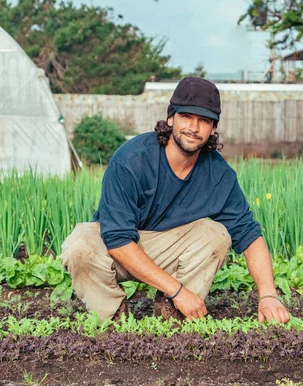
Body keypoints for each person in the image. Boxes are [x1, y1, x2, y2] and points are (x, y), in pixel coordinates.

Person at [62, 77, 290, 324]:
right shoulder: (131, 160)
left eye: (204, 120)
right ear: (171, 118)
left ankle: (172, 312)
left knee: (217, 234)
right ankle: (113, 313)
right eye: (187, 117)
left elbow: (248, 235)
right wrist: (178, 289)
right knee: (79, 245)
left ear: (213, 128)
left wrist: (268, 295)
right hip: (118, 249)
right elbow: (117, 239)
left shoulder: (218, 174)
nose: (194, 127)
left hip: (165, 249)